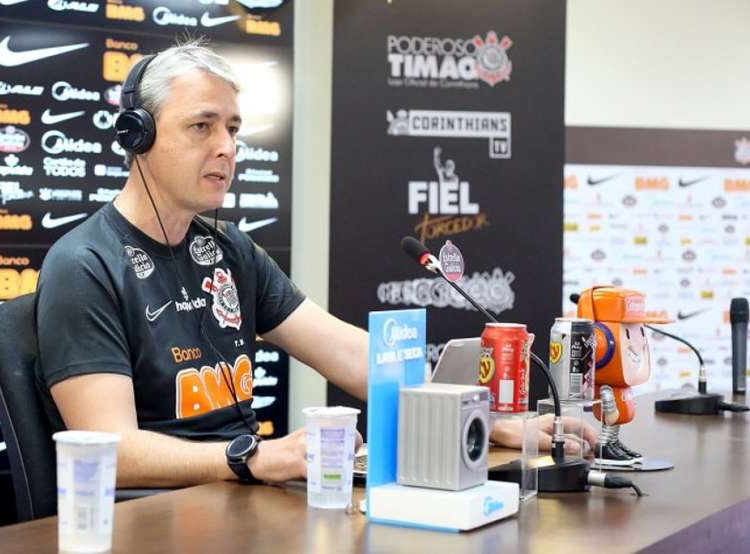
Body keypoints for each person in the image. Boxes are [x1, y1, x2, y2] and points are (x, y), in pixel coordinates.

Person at [36, 40, 594, 489]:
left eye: (232, 128)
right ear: (139, 136)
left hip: (240, 496)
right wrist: (253, 458)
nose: (227, 147)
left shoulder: (232, 250)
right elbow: (111, 452)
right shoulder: (83, 264)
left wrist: (490, 422)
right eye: (201, 126)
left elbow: (351, 355)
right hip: (152, 519)